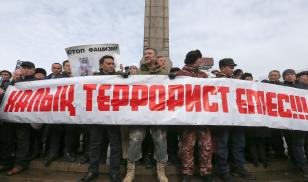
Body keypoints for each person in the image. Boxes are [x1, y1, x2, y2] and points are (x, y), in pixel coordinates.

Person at [123, 48, 169, 182]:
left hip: (159, 112)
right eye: (145, 54)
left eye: (149, 54)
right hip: (140, 112)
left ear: (155, 57)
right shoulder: (138, 73)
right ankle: (130, 171)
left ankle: (161, 170)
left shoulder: (164, 72)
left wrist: (172, 77)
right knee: (135, 139)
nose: (146, 55)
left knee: (160, 139)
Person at [79, 55, 122, 182]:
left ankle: (114, 172)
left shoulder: (119, 78)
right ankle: (93, 171)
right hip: (96, 117)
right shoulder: (93, 78)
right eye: (108, 63)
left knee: (115, 146)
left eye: (112, 64)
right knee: (94, 145)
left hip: (113, 118)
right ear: (101, 65)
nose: (111, 66)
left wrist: (126, 77)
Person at [175, 50, 213, 182]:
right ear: (195, 59)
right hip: (188, 116)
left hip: (203, 115)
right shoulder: (179, 74)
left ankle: (206, 171)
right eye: (200, 59)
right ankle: (187, 172)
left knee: (206, 145)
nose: (201, 61)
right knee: (187, 145)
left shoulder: (203, 75)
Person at [215, 59, 256, 182]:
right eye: (229, 67)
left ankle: (238, 167)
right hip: (223, 119)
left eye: (232, 67)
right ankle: (224, 171)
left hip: (238, 119)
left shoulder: (238, 82)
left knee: (238, 145)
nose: (232, 69)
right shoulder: (214, 80)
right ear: (222, 68)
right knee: (222, 146)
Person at [7, 61, 36, 176]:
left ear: (33, 70)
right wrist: (13, 80)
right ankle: (5, 162)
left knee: (22, 140)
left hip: (25, 116)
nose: (26, 70)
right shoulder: (16, 81)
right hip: (11, 114)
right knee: (7, 139)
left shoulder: (39, 82)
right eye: (23, 67)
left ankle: (20, 164)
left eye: (29, 68)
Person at [282, 69, 308, 178]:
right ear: (284, 77)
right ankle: (303, 167)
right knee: (297, 144)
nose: (289, 76)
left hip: (305, 119)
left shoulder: (303, 86)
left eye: (291, 74)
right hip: (293, 121)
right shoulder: (280, 87)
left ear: (295, 76)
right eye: (287, 75)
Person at [242, 73, 270, 168]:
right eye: (247, 78)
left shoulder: (257, 88)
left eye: (250, 78)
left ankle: (263, 160)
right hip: (250, 122)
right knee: (252, 143)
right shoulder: (243, 90)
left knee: (260, 143)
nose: (249, 80)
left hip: (259, 122)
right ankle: (256, 161)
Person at [0, 70, 13, 173]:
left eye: (5, 75)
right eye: (1, 74)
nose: (3, 76)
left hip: (5, 117)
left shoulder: (10, 86)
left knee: (5, 141)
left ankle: (5, 163)